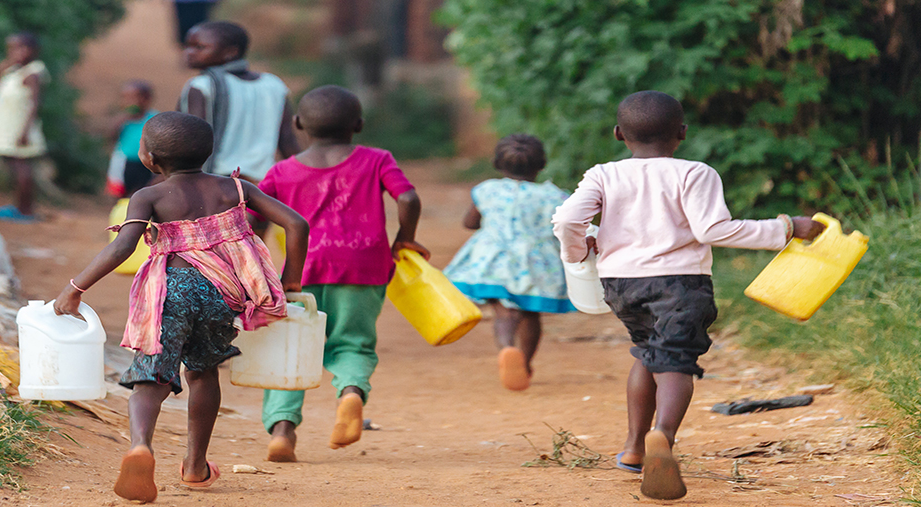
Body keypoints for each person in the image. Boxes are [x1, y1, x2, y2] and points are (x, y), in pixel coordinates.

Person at [551, 91, 825, 500]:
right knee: (676, 358)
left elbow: (568, 219)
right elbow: (713, 230)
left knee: (647, 352)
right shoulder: (695, 172)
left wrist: (579, 253)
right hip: (680, 284)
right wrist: (786, 227)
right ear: (682, 133)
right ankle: (662, 436)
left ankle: (632, 448)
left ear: (618, 134)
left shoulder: (603, 174)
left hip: (621, 285)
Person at [53, 112, 309, 503]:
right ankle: (195, 466)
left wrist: (75, 288)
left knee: (150, 375)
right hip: (223, 292)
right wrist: (291, 278)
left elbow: (123, 247)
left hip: (170, 290)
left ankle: (141, 445)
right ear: (208, 153)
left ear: (150, 158)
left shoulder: (148, 196)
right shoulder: (236, 188)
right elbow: (297, 224)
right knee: (204, 374)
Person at [254, 85, 427, 462]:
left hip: (300, 270)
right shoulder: (377, 159)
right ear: (359, 125)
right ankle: (350, 393)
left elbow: (255, 217)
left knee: (290, 352)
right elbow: (408, 198)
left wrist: (253, 262)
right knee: (353, 343)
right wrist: (404, 240)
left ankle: (282, 430)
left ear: (298, 124)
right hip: (364, 268)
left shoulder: (282, 171)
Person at [443, 134, 573, 392]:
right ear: (542, 164)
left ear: (497, 163)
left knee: (504, 310)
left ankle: (507, 348)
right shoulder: (553, 196)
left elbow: (470, 222)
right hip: (536, 264)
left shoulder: (488, 190)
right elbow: (567, 227)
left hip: (493, 261)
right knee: (530, 313)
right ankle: (523, 361)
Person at [180, 21, 300, 181]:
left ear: (231, 52)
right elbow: (287, 139)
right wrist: (302, 175)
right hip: (261, 183)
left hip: (217, 181)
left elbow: (191, 139)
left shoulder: (202, 86)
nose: (189, 52)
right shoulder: (274, 84)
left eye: (199, 47)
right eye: (188, 46)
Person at [0, 32, 48, 221]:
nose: (16, 52)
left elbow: (35, 104)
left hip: (20, 130)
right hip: (8, 128)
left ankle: (25, 211)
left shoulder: (32, 74)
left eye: (21, 48)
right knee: (15, 168)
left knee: (22, 168)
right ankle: (18, 207)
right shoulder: (12, 71)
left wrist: (24, 131)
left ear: (33, 50)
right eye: (11, 49)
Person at [107, 80, 159, 198]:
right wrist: (120, 122)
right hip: (123, 161)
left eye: (133, 98)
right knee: (119, 193)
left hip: (146, 163)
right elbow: (111, 137)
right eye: (125, 98)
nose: (128, 102)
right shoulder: (122, 120)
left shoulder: (154, 119)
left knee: (142, 192)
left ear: (146, 99)